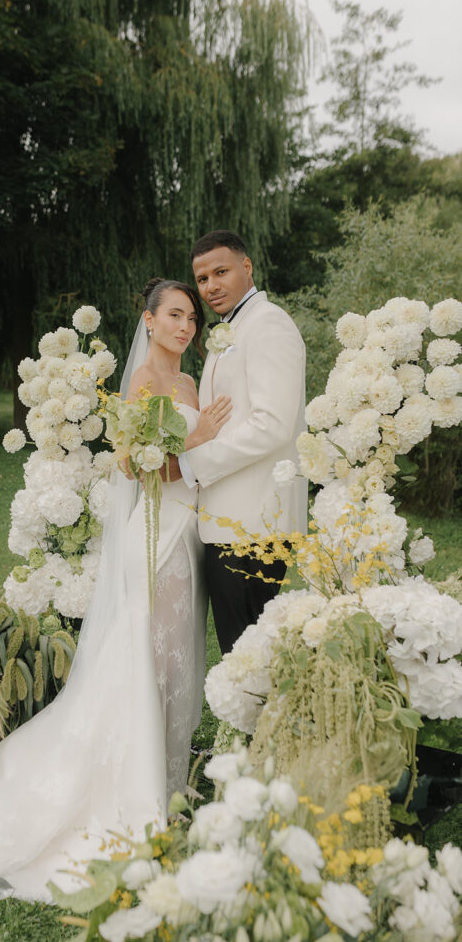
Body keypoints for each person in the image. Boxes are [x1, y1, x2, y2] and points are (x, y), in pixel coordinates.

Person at [0, 278, 229, 909]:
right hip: (153, 535)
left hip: (186, 534)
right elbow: (133, 464)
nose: (186, 326)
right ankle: (135, 793)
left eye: (192, 319)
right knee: (144, 657)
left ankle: (169, 782)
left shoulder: (188, 384)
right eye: (175, 315)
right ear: (149, 322)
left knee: (176, 658)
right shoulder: (143, 384)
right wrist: (199, 439)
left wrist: (202, 438)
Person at [174, 229, 308, 656]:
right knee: (242, 654)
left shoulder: (268, 325)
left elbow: (272, 424)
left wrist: (194, 463)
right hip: (230, 522)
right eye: (202, 279)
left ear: (246, 267)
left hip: (254, 524)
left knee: (249, 654)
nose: (210, 286)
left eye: (221, 272)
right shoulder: (234, 328)